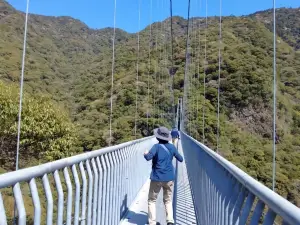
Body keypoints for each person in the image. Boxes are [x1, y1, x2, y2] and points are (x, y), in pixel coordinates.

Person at [144, 126, 184, 225]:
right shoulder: (172, 147)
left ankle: (152, 222)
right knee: (168, 199)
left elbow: (148, 157)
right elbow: (181, 159)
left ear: (158, 137)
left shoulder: (156, 147)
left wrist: (145, 153)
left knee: (152, 200)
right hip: (169, 178)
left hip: (157, 177)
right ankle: (170, 220)